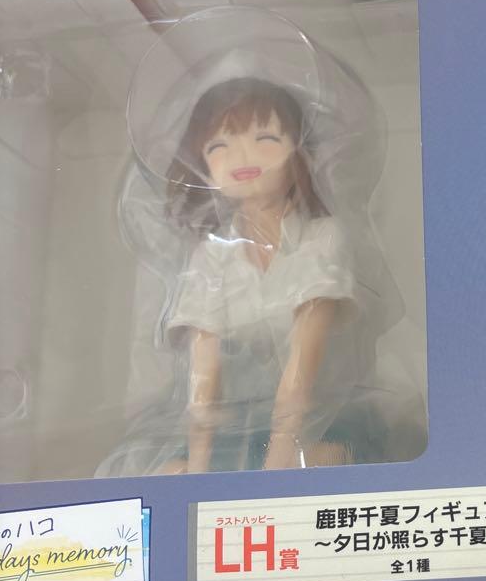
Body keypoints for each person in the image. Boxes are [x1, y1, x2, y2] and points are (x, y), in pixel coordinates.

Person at [159, 76, 373, 472]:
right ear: (203, 168)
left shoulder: (322, 238)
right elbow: (204, 378)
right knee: (169, 471)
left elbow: (303, 365)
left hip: (319, 419)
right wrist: (199, 465)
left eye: (266, 139)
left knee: (322, 462)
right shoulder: (210, 257)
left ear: (300, 155)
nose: (242, 156)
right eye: (219, 146)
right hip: (237, 424)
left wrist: (279, 455)